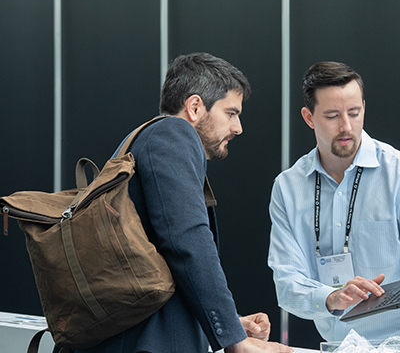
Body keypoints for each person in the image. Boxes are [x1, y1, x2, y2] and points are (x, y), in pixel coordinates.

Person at [72, 53, 293, 353]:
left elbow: (165, 266)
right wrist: (235, 341)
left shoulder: (146, 140)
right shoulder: (172, 135)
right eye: (230, 113)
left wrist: (230, 323)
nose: (238, 127)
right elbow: (187, 241)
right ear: (194, 107)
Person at [267, 61, 400, 352]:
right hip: (338, 347)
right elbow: (286, 284)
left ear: (364, 108)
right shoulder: (288, 187)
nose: (346, 126)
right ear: (309, 117)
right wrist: (331, 298)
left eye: (354, 113)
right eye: (332, 116)